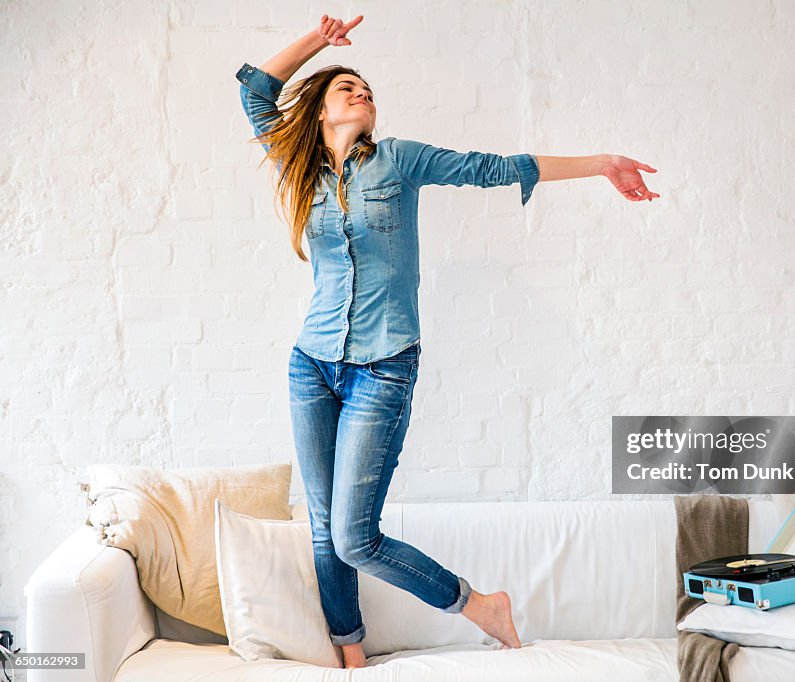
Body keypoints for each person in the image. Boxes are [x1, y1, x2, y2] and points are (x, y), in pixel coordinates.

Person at [235, 12, 660, 669]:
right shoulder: (302, 169)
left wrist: (602, 163)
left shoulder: (399, 160)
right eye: (346, 87)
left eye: (367, 87)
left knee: (353, 536)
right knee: (322, 529)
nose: (362, 92)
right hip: (311, 365)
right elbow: (255, 91)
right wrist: (321, 43)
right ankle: (351, 655)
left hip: (383, 368)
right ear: (319, 110)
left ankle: (478, 605)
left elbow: (492, 167)